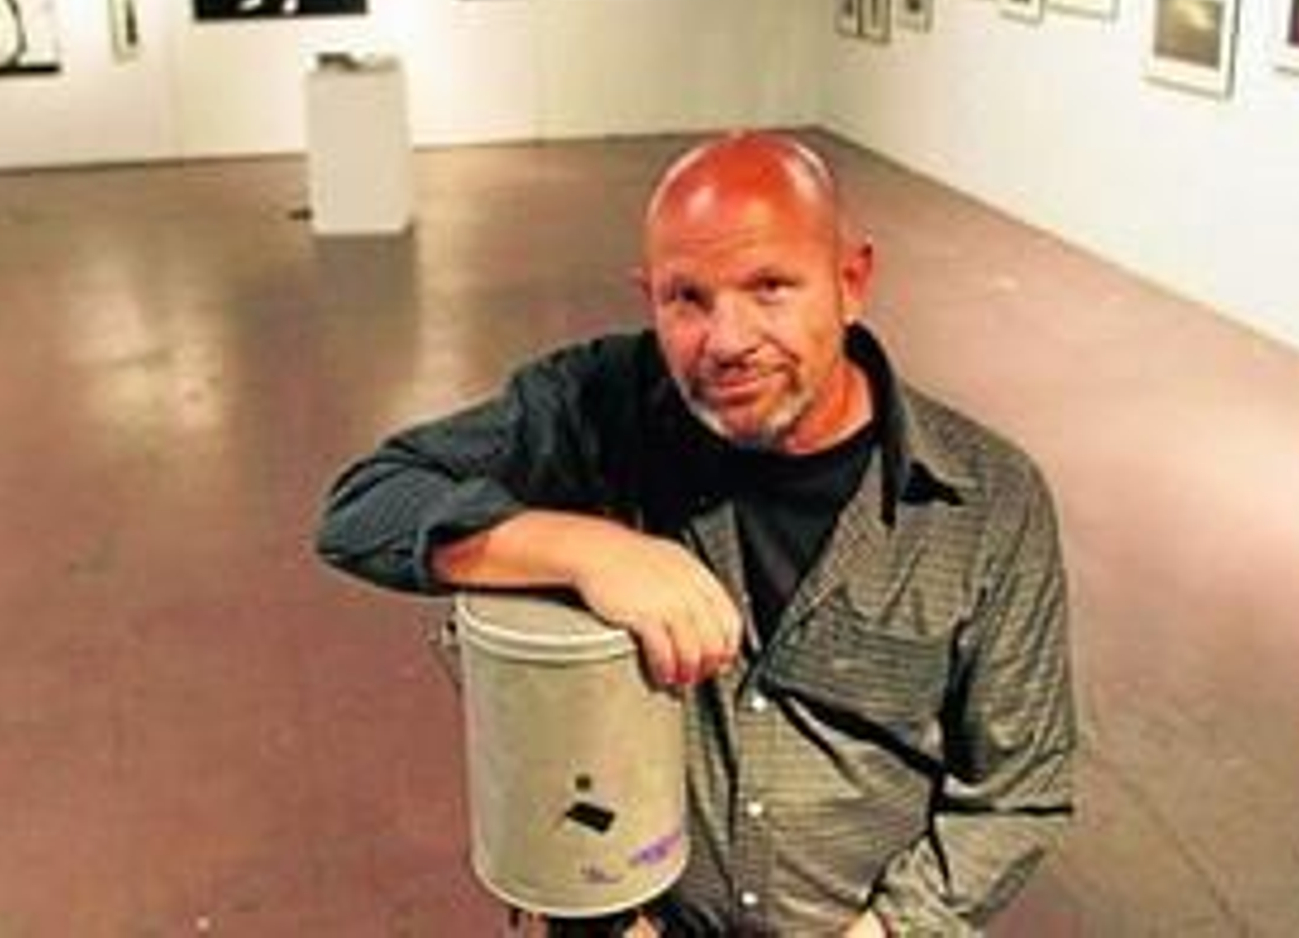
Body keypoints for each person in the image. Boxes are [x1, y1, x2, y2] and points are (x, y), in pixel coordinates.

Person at [317, 131, 1076, 934]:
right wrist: (589, 549)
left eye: (771, 287)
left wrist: (891, 930)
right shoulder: (602, 407)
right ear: (649, 297)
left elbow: (1021, 789)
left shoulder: (988, 499)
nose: (728, 340)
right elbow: (363, 507)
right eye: (688, 299)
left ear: (852, 283)